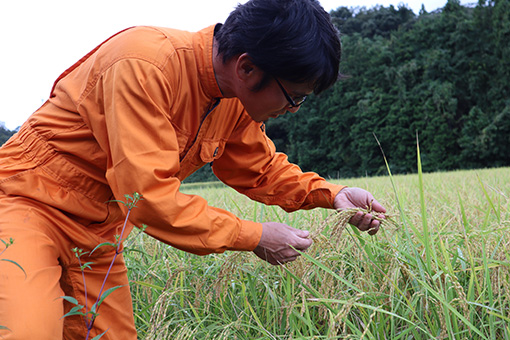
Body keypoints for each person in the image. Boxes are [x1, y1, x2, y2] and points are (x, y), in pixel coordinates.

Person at [0, 0, 386, 338]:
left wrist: (332, 195)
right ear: (247, 67)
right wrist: (253, 236)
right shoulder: (144, 64)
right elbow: (148, 197)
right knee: (28, 332)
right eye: (295, 96)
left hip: (99, 235)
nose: (293, 109)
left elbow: (260, 168)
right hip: (26, 205)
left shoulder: (233, 98)